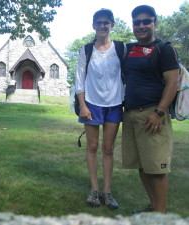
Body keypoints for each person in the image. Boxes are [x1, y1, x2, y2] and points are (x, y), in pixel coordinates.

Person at [122, 5, 179, 214]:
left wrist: (159, 112)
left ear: (154, 23)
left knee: (157, 169)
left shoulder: (164, 49)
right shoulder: (129, 50)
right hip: (130, 115)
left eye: (146, 21)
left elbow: (172, 82)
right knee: (143, 166)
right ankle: (153, 207)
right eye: (137, 22)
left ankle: (160, 216)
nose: (141, 25)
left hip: (153, 115)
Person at [75, 8, 124, 209]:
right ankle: (94, 190)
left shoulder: (121, 48)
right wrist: (83, 106)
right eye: (99, 22)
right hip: (92, 104)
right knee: (92, 147)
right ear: (93, 25)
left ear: (112, 25)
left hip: (114, 104)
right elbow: (79, 80)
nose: (103, 26)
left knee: (108, 149)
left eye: (107, 22)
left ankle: (107, 192)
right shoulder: (86, 50)